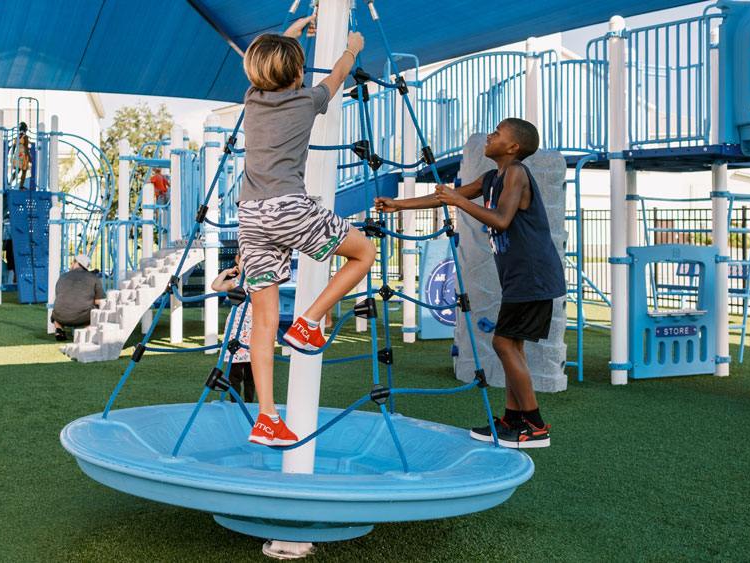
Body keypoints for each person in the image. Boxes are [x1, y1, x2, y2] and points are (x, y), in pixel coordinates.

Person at [375, 118, 564, 449]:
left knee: (504, 344)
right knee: (511, 346)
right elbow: (447, 197)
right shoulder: (492, 178)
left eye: (497, 134)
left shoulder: (517, 173)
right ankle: (512, 420)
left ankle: (534, 425)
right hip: (520, 278)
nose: (489, 136)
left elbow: (502, 221)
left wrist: (459, 202)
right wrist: (398, 206)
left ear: (513, 147)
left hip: (534, 276)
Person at [237, 15, 376, 446]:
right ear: (298, 73)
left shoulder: (251, 100)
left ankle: (266, 418)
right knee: (364, 253)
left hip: (250, 216)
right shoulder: (306, 100)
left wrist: (294, 30)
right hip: (287, 208)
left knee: (261, 325)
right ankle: (309, 321)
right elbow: (337, 75)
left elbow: (263, 59)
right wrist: (352, 47)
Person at [211, 266, 254, 403]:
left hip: (253, 330)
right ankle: (235, 403)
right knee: (234, 372)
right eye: (243, 260)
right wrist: (225, 272)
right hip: (237, 330)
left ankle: (249, 403)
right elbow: (215, 286)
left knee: (251, 374)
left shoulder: (259, 282)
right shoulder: (234, 282)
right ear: (237, 261)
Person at [52, 254, 104, 342]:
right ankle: (88, 330)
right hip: (82, 317)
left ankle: (59, 330)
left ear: (76, 263)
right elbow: (98, 301)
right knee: (95, 310)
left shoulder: (63, 276)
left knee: (58, 308)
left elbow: (59, 296)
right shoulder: (94, 278)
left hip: (59, 316)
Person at [10, 122, 32, 189]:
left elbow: (13, 147)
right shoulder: (25, 137)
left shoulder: (17, 137)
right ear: (26, 130)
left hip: (17, 155)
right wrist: (29, 156)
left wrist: (12, 155)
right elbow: (26, 147)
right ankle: (21, 186)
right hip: (23, 155)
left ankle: (9, 183)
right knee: (24, 171)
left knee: (17, 170)